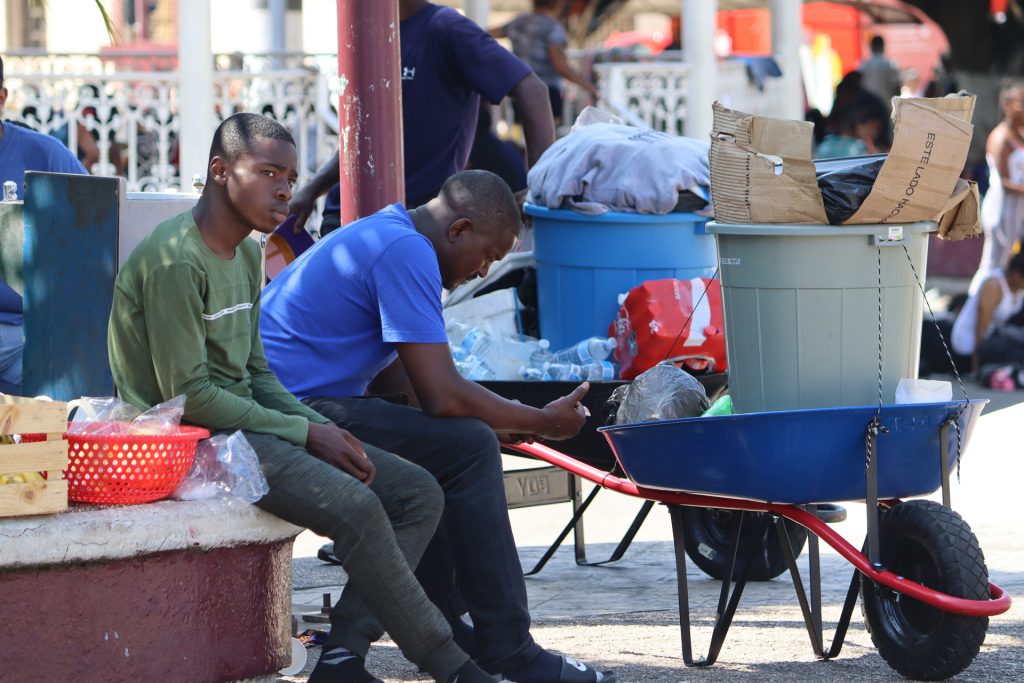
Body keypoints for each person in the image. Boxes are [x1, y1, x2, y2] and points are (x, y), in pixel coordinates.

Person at [106, 113, 494, 683]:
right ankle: (452, 666)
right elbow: (189, 400)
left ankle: (341, 659)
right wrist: (308, 431)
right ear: (220, 172)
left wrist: (321, 427)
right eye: (267, 172)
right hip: (190, 444)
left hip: (247, 427)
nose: (285, 189)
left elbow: (257, 374)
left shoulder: (244, 254)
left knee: (417, 493)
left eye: (289, 176)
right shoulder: (175, 262)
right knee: (361, 509)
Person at [260, 169, 616, 683]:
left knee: (457, 444)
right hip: (291, 412)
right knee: (467, 444)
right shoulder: (407, 252)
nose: (482, 271)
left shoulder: (390, 233)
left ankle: (443, 621)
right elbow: (442, 394)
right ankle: (509, 645)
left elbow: (404, 381)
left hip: (305, 403)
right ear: (459, 230)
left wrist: (485, 421)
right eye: (488, 257)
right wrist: (540, 421)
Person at [289, 0, 554, 235]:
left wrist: (538, 185)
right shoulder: (371, 33)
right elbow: (361, 137)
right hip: (345, 215)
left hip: (411, 218)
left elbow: (533, 89)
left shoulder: (446, 27)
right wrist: (313, 189)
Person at [0, 55, 89, 395]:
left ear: (2, 98)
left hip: (29, 332)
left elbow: (102, 230)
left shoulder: (46, 155)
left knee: (73, 397)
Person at [490, 0, 599, 125]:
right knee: (547, 136)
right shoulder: (553, 28)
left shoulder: (518, 22)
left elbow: (486, 34)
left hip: (519, 87)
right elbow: (560, 65)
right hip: (546, 91)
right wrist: (588, 86)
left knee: (522, 135)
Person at [971, 82, 1024, 293]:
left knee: (1010, 258)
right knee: (995, 261)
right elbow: (1003, 182)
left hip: (1017, 209)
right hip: (1003, 209)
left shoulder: (1018, 134)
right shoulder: (1000, 138)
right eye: (1021, 103)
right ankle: (977, 302)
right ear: (1007, 105)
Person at [952, 252, 1024, 384]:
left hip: (992, 339)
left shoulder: (1017, 289)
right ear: (1016, 275)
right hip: (970, 347)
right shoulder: (994, 286)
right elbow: (980, 329)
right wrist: (976, 369)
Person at [858, 35, 900, 111]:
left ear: (871, 47)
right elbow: (897, 89)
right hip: (886, 107)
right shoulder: (890, 65)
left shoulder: (863, 66)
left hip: (867, 108)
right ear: (883, 47)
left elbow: (858, 89)